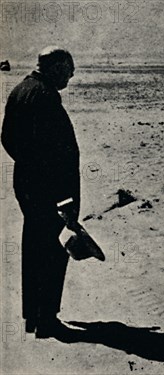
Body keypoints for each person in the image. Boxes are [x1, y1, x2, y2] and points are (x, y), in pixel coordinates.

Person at [1, 46, 79, 338]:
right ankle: (46, 318)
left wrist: (27, 164)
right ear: (56, 67)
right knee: (52, 251)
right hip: (50, 190)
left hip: (28, 185)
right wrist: (64, 197)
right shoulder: (45, 97)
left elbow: (6, 137)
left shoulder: (21, 89)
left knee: (34, 246)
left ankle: (33, 316)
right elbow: (56, 155)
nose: (72, 74)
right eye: (69, 68)